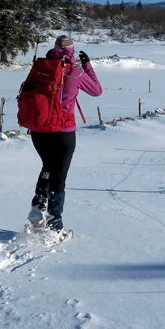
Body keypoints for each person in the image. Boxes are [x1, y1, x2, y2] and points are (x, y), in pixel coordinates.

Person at [28, 35, 102, 232]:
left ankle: (38, 206)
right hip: (63, 131)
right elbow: (96, 91)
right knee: (59, 175)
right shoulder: (75, 72)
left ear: (54, 49)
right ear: (72, 51)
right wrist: (87, 66)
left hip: (38, 129)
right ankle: (55, 222)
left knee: (47, 166)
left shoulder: (40, 67)